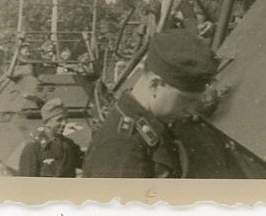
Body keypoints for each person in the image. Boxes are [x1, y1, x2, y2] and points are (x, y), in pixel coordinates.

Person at [82, 28, 219, 178]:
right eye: (187, 100)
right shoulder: (121, 147)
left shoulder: (152, 125)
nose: (191, 110)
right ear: (155, 85)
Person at [17, 98, 83, 177]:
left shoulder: (69, 145)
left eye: (66, 119)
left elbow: (86, 163)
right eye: (59, 120)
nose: (64, 123)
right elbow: (27, 181)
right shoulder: (34, 148)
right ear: (47, 122)